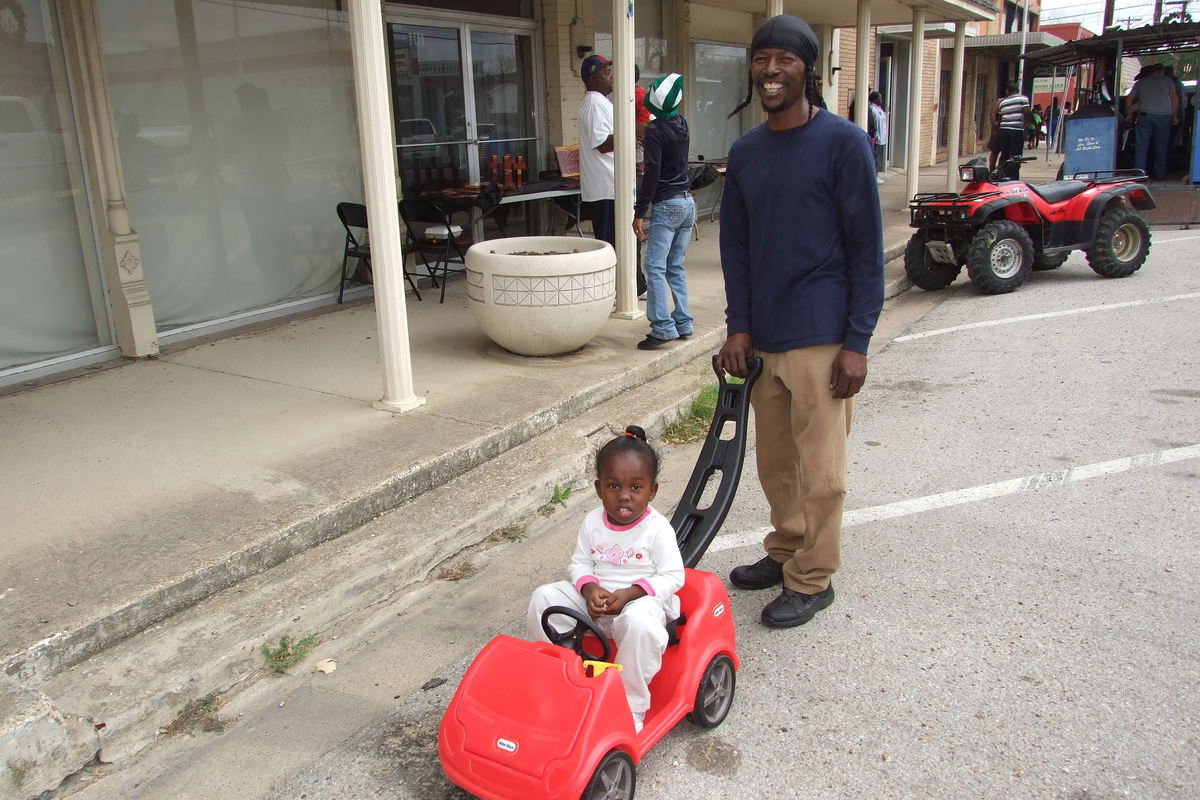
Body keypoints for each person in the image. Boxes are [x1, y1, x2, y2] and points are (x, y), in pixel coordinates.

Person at [718, 14, 884, 629]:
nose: (770, 71)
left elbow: (866, 246)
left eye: (783, 60)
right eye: (762, 59)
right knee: (776, 464)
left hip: (822, 335)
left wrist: (857, 341)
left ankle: (813, 578)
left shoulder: (843, 143)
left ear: (806, 70)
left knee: (822, 473)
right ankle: (787, 546)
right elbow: (736, 248)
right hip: (765, 337)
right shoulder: (747, 152)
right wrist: (739, 326)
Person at [526, 425, 684, 733]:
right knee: (543, 597)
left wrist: (632, 593)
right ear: (599, 489)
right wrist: (589, 588)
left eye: (635, 487)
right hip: (596, 606)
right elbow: (580, 563)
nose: (624, 496)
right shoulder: (592, 522)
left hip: (640, 605)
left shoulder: (657, 529)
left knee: (639, 621)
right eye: (613, 486)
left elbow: (673, 576)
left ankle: (630, 705)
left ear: (652, 491)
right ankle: (554, 674)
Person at [633, 73, 695, 351]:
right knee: (674, 266)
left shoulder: (655, 132)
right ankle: (683, 321)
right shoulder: (682, 123)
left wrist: (639, 211)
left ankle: (662, 327)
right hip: (687, 202)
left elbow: (652, 173)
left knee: (655, 266)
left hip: (668, 204)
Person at [578, 54, 646, 296]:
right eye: (606, 73)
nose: (611, 77)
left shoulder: (604, 103)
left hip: (615, 184)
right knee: (612, 243)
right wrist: (632, 131)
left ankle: (636, 286)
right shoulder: (593, 104)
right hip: (605, 187)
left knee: (628, 238)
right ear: (592, 78)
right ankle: (613, 292)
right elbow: (602, 144)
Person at [1126, 63, 1179, 180]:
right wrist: (1175, 116)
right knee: (1161, 146)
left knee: (1141, 146)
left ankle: (1140, 174)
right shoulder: (1168, 81)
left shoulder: (1141, 82)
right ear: (1161, 71)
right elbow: (1174, 100)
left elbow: (1129, 99)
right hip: (1164, 116)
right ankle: (1160, 174)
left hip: (1145, 116)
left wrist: (1129, 113)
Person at [996, 81, 1030, 179]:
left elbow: (1000, 119)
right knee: (1015, 155)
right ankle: (1013, 177)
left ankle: (1002, 175)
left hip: (1003, 130)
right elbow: (1027, 112)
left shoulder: (1003, 103)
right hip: (1015, 130)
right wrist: (1028, 124)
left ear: (1007, 91)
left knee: (1004, 154)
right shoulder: (1023, 99)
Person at [868, 91, 888, 184]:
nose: (881, 100)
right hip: (875, 138)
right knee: (874, 157)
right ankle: (874, 176)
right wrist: (874, 135)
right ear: (875, 99)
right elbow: (872, 123)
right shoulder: (871, 109)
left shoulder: (879, 109)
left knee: (877, 157)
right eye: (879, 98)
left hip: (881, 138)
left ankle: (876, 175)